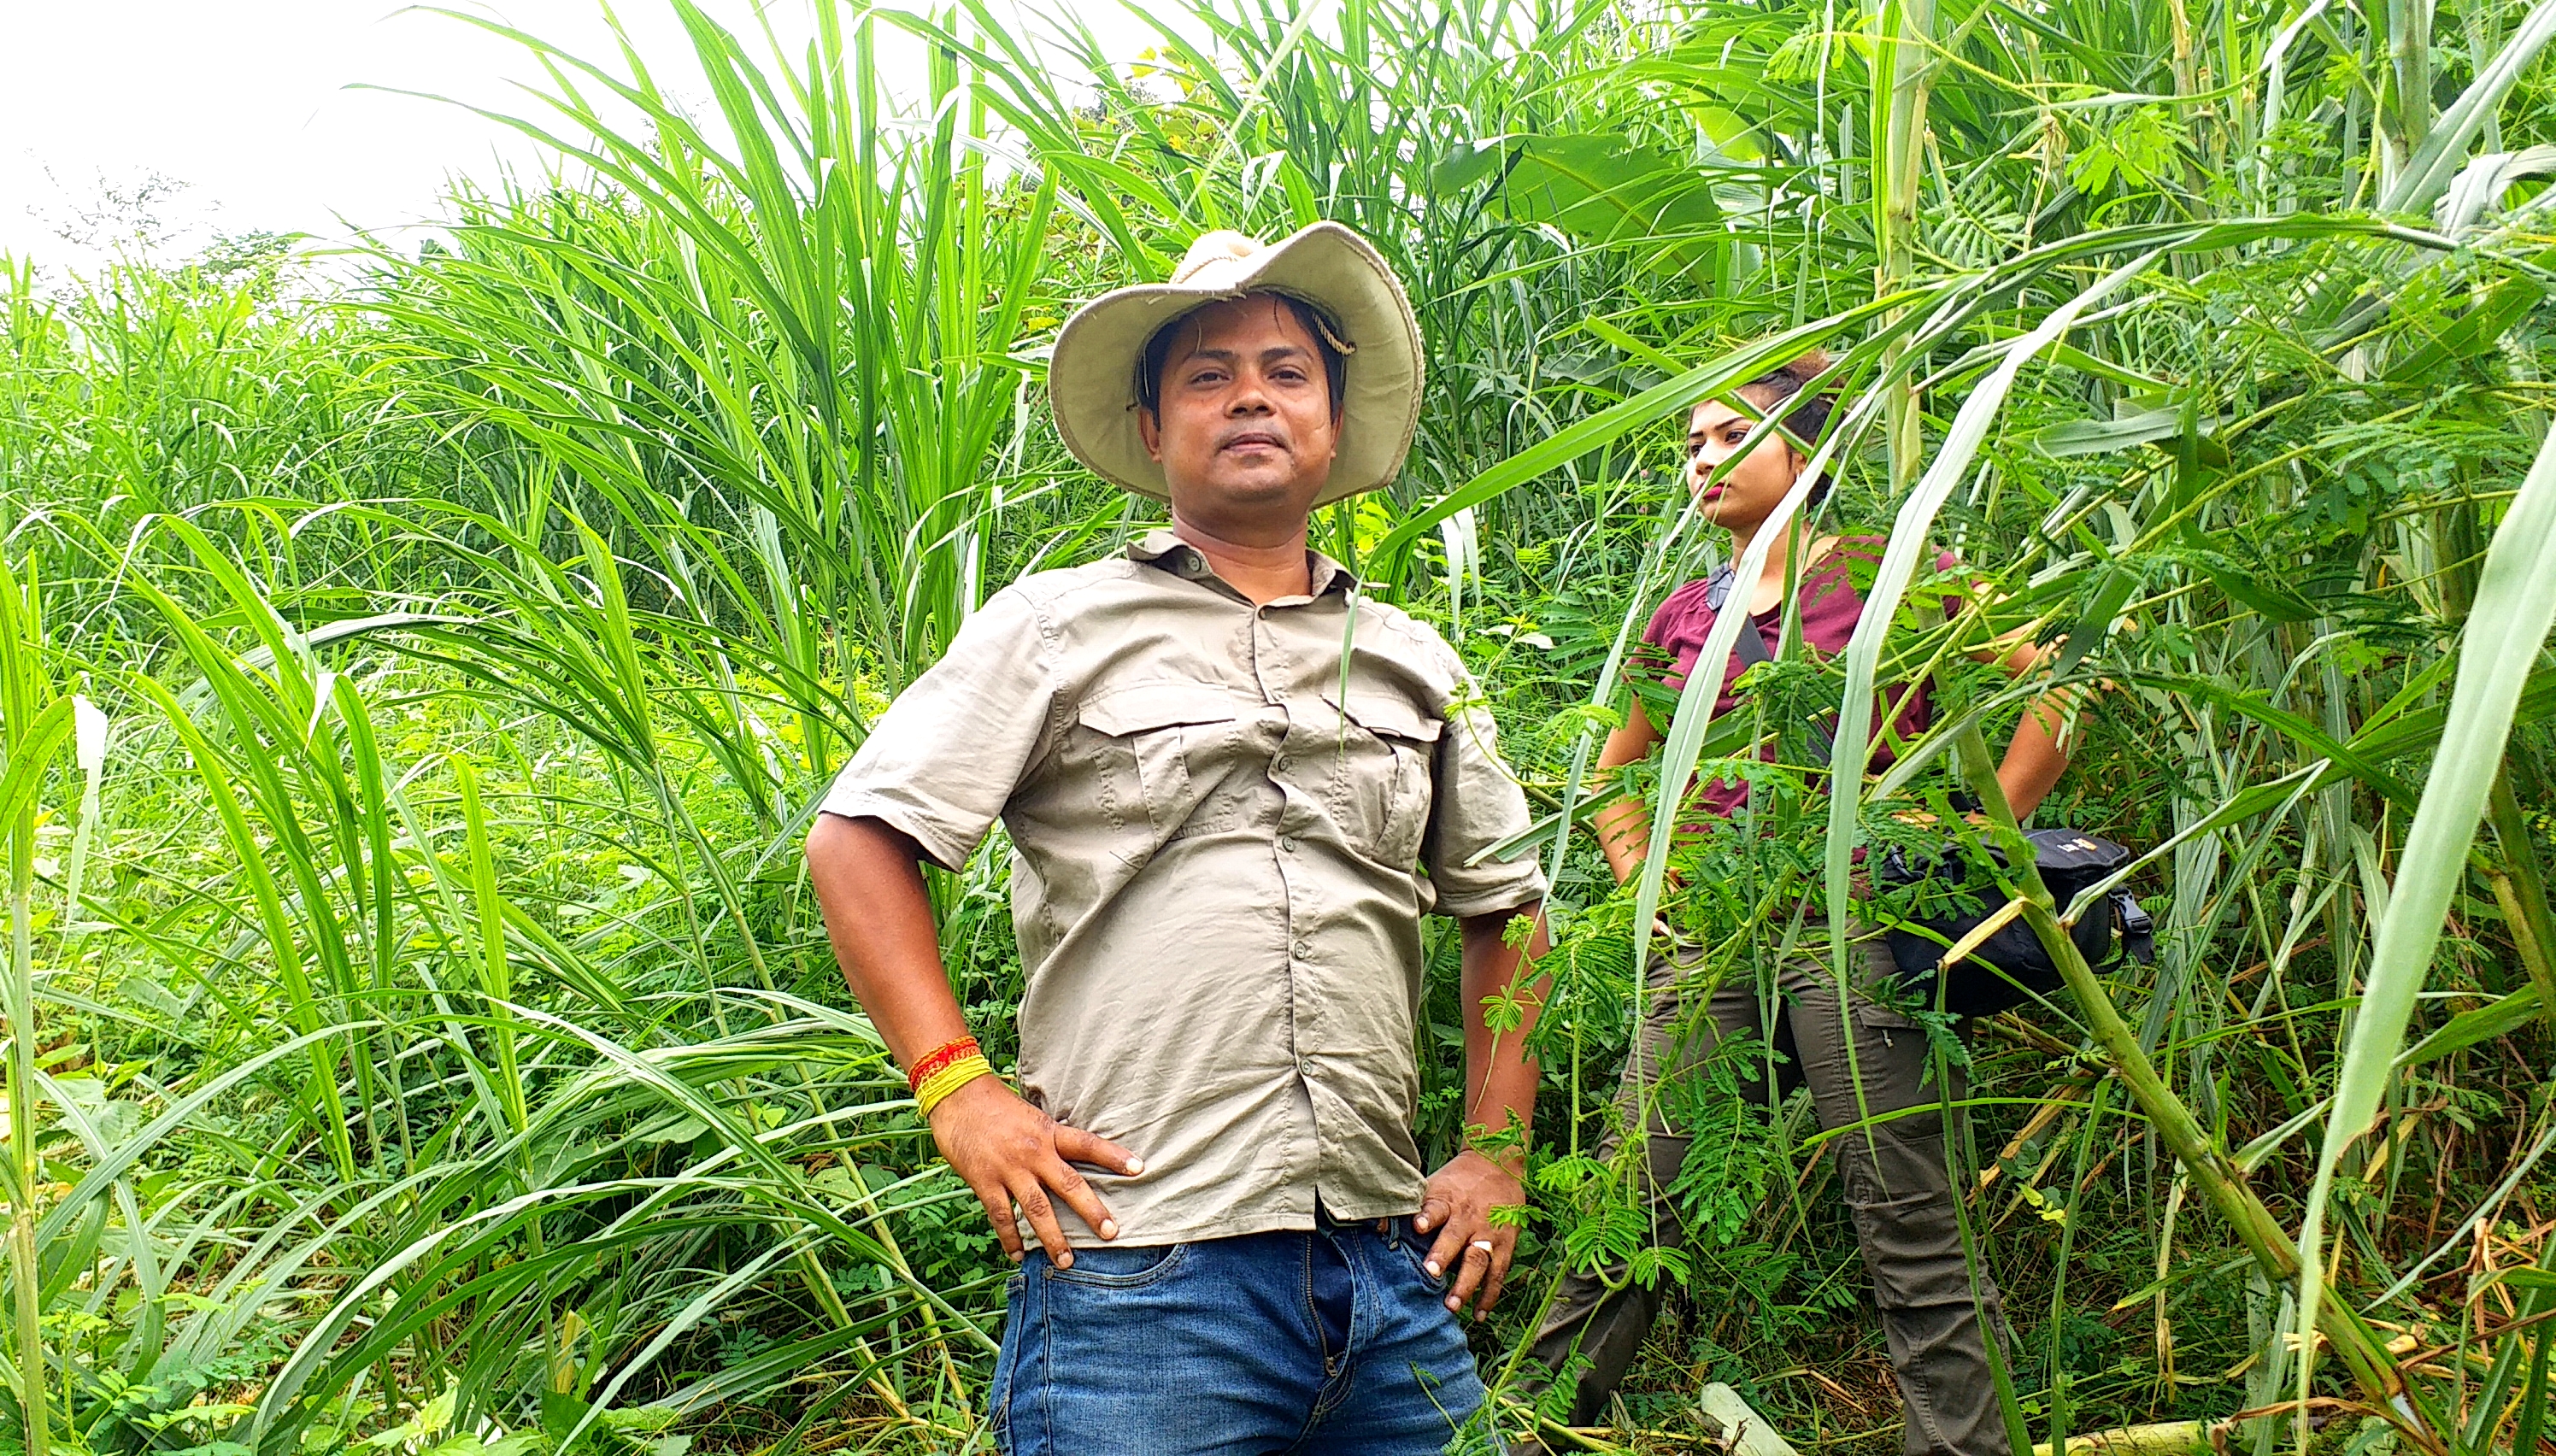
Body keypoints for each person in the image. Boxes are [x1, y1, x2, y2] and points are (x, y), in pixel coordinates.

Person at [804, 222, 1552, 1456]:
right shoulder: (1056, 625)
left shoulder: (1416, 662)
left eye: (1284, 370)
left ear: (1330, 415)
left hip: (1388, 1270)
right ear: (1154, 432)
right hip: (1141, 1277)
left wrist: (1496, 1155)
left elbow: (1506, 913)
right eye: (1206, 375)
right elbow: (859, 840)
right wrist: (960, 1090)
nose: (1250, 393)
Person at [1522, 350, 2076, 1455]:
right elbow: (1610, 773)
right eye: (1691, 446)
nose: (1704, 461)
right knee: (1630, 1205)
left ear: (1806, 451)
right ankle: (1529, 1430)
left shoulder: (1890, 570)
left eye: (1732, 436)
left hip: (1853, 926)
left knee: (1905, 1217)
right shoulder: (1687, 612)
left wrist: (1968, 832)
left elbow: (2051, 689)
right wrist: (1650, 885)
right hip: (1713, 939)